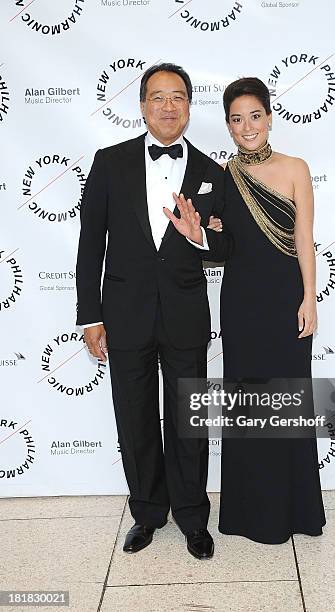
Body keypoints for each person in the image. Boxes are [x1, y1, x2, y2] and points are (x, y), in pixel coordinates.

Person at [75, 63, 231, 560]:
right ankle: (146, 512)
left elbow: (225, 246)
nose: (168, 106)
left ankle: (192, 517)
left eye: (178, 97)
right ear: (142, 105)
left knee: (189, 420)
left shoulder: (211, 170)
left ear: (189, 106)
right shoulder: (109, 161)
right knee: (135, 417)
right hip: (124, 314)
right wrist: (90, 315)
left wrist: (199, 235)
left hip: (185, 314)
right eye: (158, 97)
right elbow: (89, 246)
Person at [173, 77, 326, 544]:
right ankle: (249, 512)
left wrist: (309, 296)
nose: (247, 126)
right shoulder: (223, 176)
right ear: (228, 126)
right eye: (237, 120)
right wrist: (198, 232)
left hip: (285, 303)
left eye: (254, 116)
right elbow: (221, 246)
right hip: (241, 304)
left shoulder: (296, 168)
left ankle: (295, 510)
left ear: (269, 117)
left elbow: (304, 240)